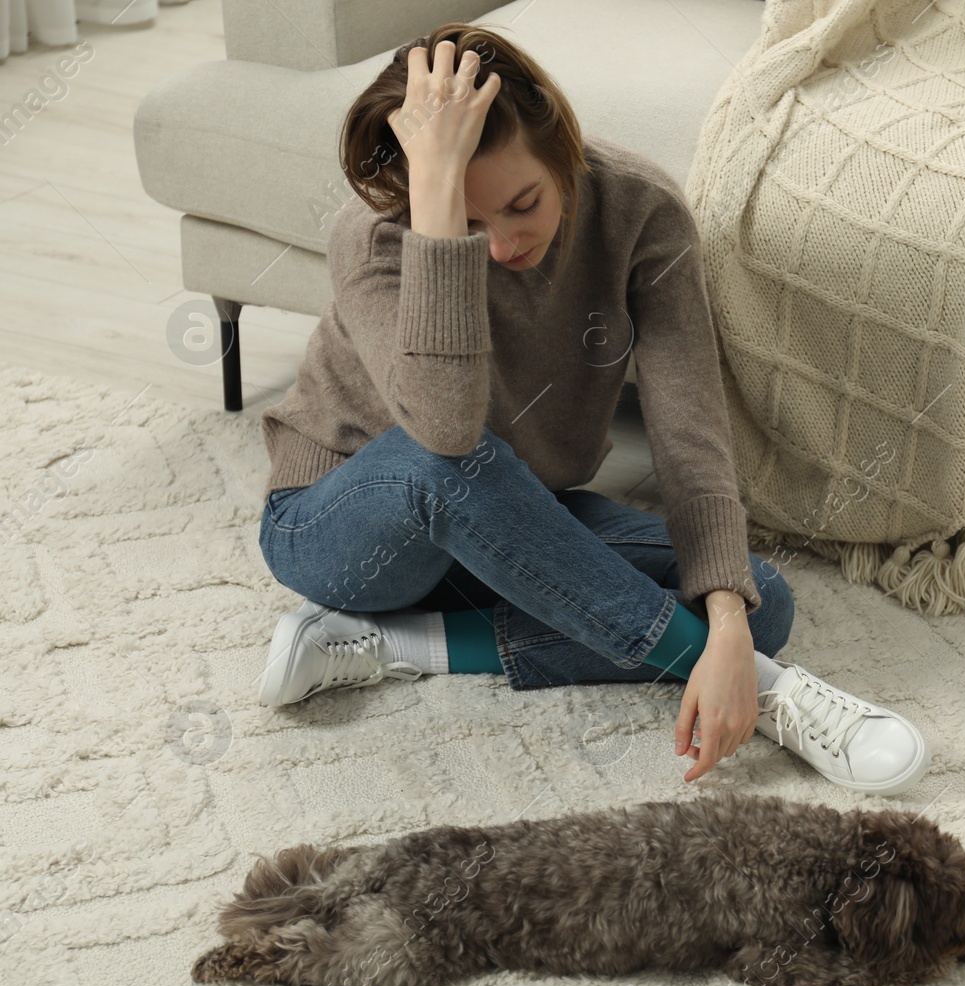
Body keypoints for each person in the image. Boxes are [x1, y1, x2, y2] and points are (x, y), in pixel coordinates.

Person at [251, 24, 930, 796]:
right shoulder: (376, 233)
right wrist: (436, 206)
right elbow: (444, 431)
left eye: (522, 203)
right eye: (471, 225)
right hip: (345, 527)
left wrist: (731, 624)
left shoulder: (638, 210)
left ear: (564, 144)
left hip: (510, 521)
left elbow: (689, 430)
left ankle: (394, 645)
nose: (502, 244)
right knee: (446, 459)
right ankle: (778, 696)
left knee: (754, 600)